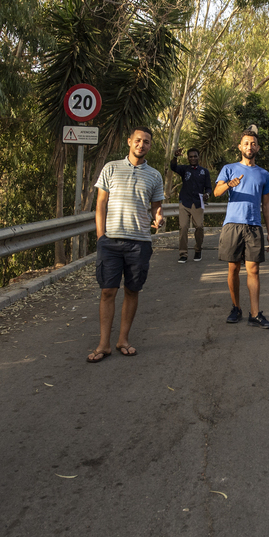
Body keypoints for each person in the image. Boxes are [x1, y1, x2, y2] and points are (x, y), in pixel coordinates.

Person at [88, 126, 165, 362]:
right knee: (107, 291)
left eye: (147, 142)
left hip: (139, 242)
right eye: (138, 140)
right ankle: (104, 344)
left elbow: (156, 206)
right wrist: (101, 236)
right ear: (130, 141)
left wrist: (159, 217)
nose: (142, 145)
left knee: (132, 290)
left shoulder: (154, 175)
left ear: (150, 146)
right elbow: (101, 203)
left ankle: (123, 339)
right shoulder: (111, 168)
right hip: (110, 241)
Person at [215, 131, 269, 328]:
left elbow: (267, 206)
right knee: (233, 268)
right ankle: (236, 307)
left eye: (253, 144)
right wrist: (228, 185)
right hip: (232, 224)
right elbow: (216, 192)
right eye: (246, 144)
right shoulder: (229, 169)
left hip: (254, 226)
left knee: (254, 270)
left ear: (257, 148)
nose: (250, 147)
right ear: (240, 147)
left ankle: (255, 314)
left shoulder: (264, 174)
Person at [169, 147, 212, 263]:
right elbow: (173, 167)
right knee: (183, 228)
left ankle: (198, 250)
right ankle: (183, 254)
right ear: (188, 158)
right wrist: (175, 156)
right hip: (184, 202)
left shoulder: (204, 172)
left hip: (198, 203)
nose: (193, 158)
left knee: (199, 227)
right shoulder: (184, 169)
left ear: (198, 157)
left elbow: (208, 187)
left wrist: (207, 194)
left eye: (195, 156)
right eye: (190, 156)